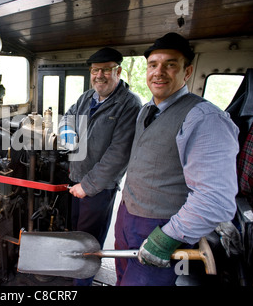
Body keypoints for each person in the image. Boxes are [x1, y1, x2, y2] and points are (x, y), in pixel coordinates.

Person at [114, 32, 240, 286]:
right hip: (128, 217)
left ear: (188, 71)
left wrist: (167, 238)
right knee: (122, 279)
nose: (159, 72)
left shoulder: (205, 119)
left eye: (170, 64)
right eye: (153, 64)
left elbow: (215, 198)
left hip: (162, 227)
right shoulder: (146, 111)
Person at [58, 47, 142, 285]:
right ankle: (75, 269)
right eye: (95, 70)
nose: (100, 75)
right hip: (76, 176)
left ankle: (82, 281)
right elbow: (69, 115)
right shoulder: (87, 97)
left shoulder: (129, 104)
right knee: (75, 231)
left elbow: (119, 154)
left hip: (99, 186)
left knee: (90, 237)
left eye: (106, 70)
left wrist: (89, 185)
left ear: (119, 71)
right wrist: (66, 129)